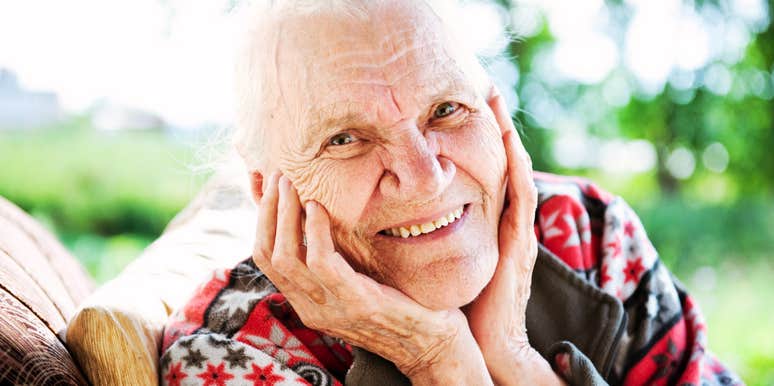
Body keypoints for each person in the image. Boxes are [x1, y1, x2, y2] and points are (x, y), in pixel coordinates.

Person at [160, 1, 741, 385]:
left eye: (445, 109)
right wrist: (438, 359)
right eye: (345, 139)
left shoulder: (589, 231)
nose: (425, 176)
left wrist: (513, 355)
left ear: (496, 116)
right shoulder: (231, 354)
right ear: (267, 189)